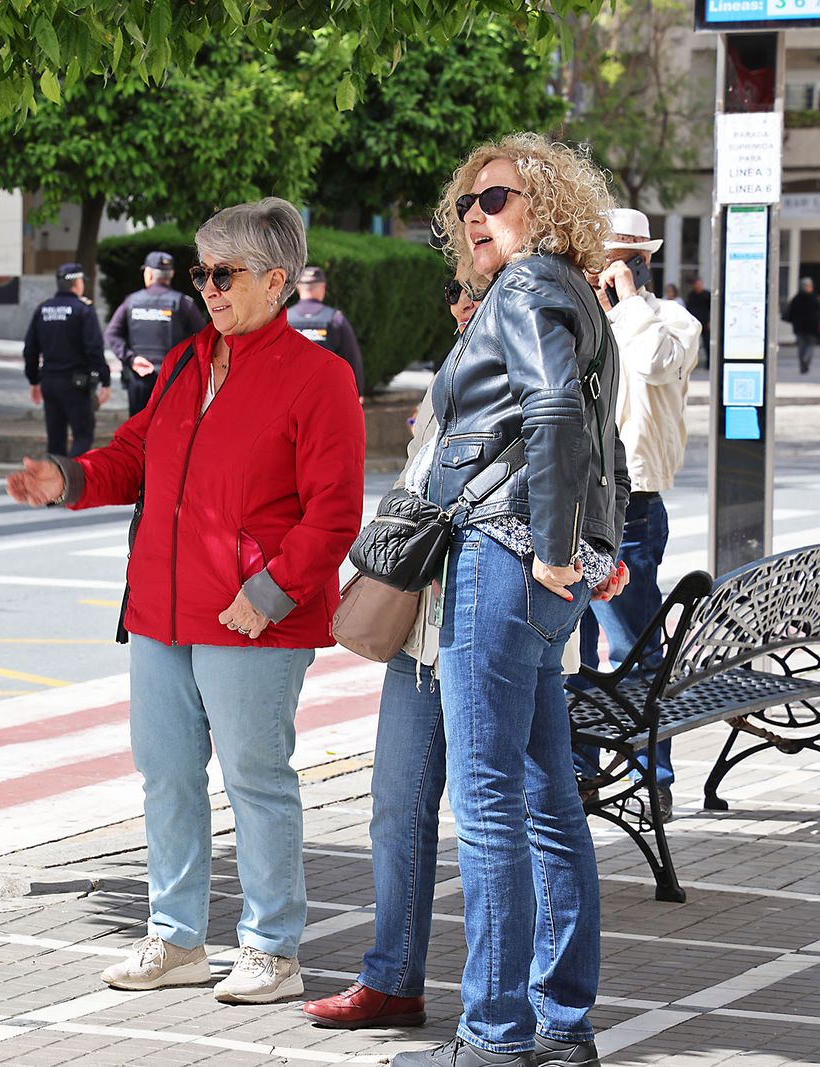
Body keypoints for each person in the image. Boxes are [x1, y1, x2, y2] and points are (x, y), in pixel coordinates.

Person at [6, 198, 365, 1006]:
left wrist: (270, 591)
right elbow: (134, 457)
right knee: (166, 776)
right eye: (202, 270)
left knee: (255, 780)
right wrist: (68, 478)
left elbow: (335, 511)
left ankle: (273, 949)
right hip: (162, 611)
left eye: (224, 272)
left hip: (250, 617)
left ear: (276, 280)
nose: (208, 285)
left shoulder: (319, 376)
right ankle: (176, 939)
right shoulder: (184, 363)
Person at [303, 270, 627, 1035]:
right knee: (402, 807)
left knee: (501, 809)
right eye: (455, 288)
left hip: (489, 618)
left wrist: (571, 551)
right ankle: (403, 979)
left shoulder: (543, 359)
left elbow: (594, 456)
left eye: (482, 289)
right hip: (425, 631)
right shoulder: (461, 375)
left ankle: (506, 1027)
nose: (465, 301)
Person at [388, 134, 628, 1067]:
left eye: (496, 197)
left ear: (547, 204)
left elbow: (557, 413)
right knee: (546, 799)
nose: (475, 217)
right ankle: (562, 1026)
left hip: (505, 556)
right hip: (538, 567)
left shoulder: (527, 289)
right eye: (466, 206)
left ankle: (492, 1038)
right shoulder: (568, 292)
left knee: (489, 801)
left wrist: (555, 546)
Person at [578, 207, 701, 822]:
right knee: (575, 652)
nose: (604, 269)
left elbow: (651, 362)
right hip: (572, 504)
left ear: (642, 260)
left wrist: (626, 296)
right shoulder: (581, 318)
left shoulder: (671, 321)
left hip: (633, 508)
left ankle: (654, 779)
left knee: (633, 650)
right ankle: (579, 772)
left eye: (618, 259)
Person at [22, 263, 111, 457]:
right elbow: (94, 349)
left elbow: (30, 349)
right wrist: (105, 380)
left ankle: (57, 483)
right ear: (76, 283)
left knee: (55, 441)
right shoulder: (83, 310)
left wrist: (34, 380)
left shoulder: (43, 309)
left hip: (50, 382)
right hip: (75, 384)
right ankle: (72, 482)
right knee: (83, 436)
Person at [105, 250, 207, 415]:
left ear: (149, 274)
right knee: (171, 431)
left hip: (140, 379)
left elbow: (112, 334)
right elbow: (204, 338)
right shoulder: (182, 303)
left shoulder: (131, 302)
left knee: (138, 433)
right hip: (173, 380)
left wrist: (132, 359)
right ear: (171, 274)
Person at [287, 265, 365, 395]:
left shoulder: (285, 319)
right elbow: (352, 357)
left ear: (298, 287)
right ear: (323, 288)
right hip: (325, 393)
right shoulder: (335, 319)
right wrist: (358, 392)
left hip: (290, 392)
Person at [786, 276, 819, 374]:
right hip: (812, 327)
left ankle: (802, 365)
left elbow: (790, 313)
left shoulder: (796, 299)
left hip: (799, 327)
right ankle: (806, 359)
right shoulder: (814, 298)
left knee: (801, 347)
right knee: (810, 346)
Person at [685, 276, 712, 357]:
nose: (697, 286)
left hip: (705, 322)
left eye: (698, 284)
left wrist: (711, 321)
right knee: (692, 342)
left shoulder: (707, 295)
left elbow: (711, 309)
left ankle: (709, 361)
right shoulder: (691, 295)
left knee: (707, 342)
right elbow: (689, 308)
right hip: (694, 322)